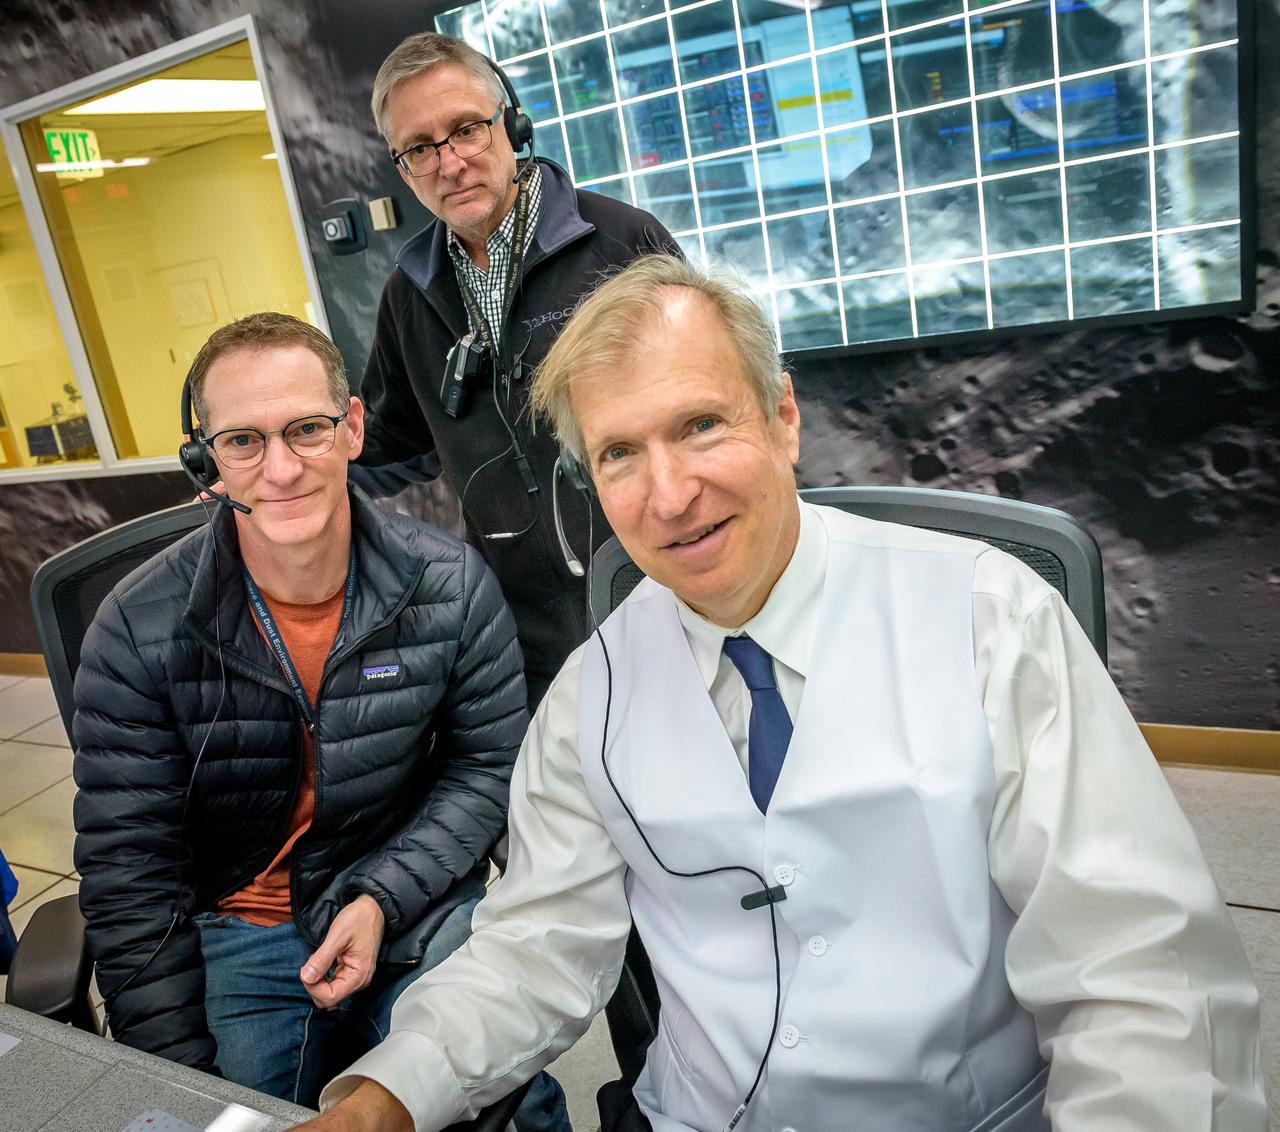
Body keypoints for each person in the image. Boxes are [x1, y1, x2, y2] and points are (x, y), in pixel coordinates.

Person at [298, 257, 1267, 1132]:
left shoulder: (985, 616)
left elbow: (1137, 972)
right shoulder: (588, 696)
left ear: (782, 418)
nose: (667, 494)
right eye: (618, 454)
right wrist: (382, 1099)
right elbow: (531, 948)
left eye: (698, 424)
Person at [72, 313, 528, 1110]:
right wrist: (179, 1082)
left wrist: (381, 896)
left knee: (503, 1089)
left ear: (352, 428)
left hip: (403, 892)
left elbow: (487, 768)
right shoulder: (136, 625)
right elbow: (129, 871)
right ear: (204, 462)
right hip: (240, 926)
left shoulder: (450, 586)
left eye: (306, 429)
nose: (279, 468)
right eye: (243, 441)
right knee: (234, 1115)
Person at [358, 32, 679, 707]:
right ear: (404, 166)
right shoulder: (409, 295)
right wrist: (290, 462)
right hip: (519, 631)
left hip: (660, 593)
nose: (450, 162)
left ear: (511, 124)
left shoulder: (622, 242)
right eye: (420, 147)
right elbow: (392, 446)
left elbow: (710, 403)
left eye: (466, 129)